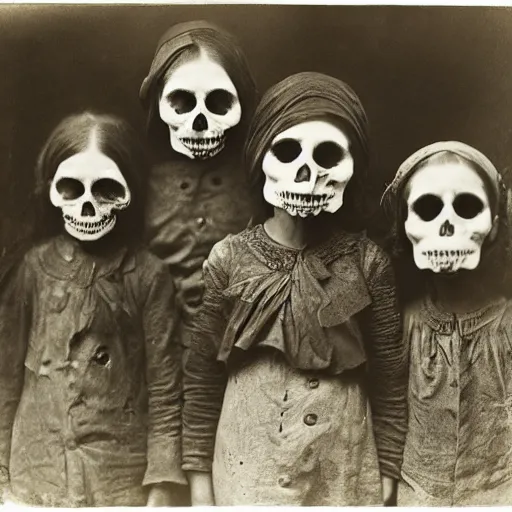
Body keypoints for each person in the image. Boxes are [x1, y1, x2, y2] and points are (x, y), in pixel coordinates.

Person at [182, 71, 407, 506]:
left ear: (351, 168)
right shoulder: (229, 259)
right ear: (259, 158)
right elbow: (202, 377)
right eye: (286, 153)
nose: (306, 175)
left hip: (342, 466)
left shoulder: (368, 262)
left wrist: (388, 473)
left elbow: (390, 378)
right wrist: (199, 482)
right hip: (246, 468)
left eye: (328, 157)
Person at [0, 112, 185, 507]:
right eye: (71, 189)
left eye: (105, 190)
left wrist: (162, 484)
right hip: (36, 476)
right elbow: (5, 378)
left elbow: (166, 387)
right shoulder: (32, 268)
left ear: (129, 190)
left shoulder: (148, 274)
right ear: (50, 189)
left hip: (120, 482)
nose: (87, 209)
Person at [381, 141, 512, 505]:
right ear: (405, 227)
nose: (447, 225)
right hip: (417, 495)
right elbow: (388, 410)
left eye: (468, 208)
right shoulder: (403, 326)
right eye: (427, 209)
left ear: (495, 226)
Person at [139, 20, 260, 349]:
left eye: (219, 103)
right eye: (181, 103)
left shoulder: (265, 179)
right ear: (157, 102)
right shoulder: (138, 183)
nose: (200, 124)